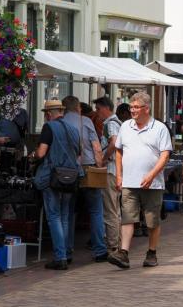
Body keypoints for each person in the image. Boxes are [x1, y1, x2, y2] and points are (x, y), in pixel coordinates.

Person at [108, 92, 172, 269]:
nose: (133, 110)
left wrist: (152, 175)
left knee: (152, 220)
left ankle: (151, 252)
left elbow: (165, 155)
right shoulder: (126, 127)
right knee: (127, 217)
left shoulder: (159, 128)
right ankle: (124, 253)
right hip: (129, 181)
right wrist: (119, 175)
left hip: (153, 183)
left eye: (136, 107)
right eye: (131, 107)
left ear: (146, 108)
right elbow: (119, 150)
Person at [32, 100, 83, 270]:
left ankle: (60, 257)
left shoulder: (49, 127)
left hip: (53, 177)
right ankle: (67, 253)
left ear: (48, 114)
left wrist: (33, 155)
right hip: (71, 176)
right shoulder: (74, 129)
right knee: (65, 215)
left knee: (54, 216)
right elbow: (78, 154)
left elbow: (41, 153)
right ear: (61, 111)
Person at [62, 96, 107, 263]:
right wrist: (100, 166)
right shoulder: (86, 122)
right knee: (95, 210)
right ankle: (100, 250)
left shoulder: (59, 123)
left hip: (67, 171)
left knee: (68, 212)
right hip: (88, 168)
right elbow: (96, 147)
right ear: (78, 108)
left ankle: (65, 252)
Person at [94, 97, 127, 255]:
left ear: (106, 108)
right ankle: (118, 242)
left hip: (111, 170)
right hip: (118, 170)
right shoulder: (119, 123)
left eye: (98, 109)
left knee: (110, 209)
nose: (97, 113)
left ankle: (113, 245)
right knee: (115, 209)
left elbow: (114, 143)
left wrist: (104, 158)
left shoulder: (111, 123)